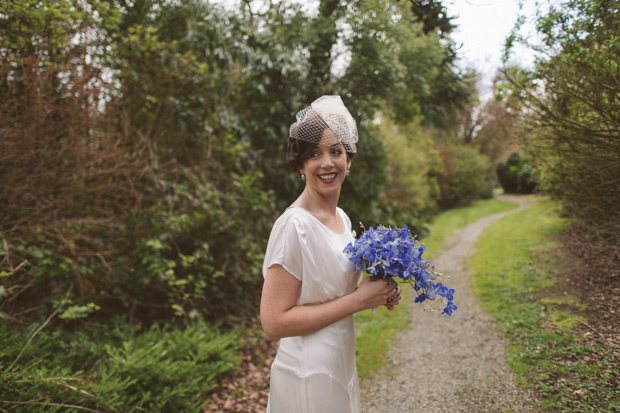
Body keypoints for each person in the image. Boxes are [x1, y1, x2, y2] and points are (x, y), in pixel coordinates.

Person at [260, 95, 402, 412]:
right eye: (314, 154)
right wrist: (358, 301)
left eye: (336, 151)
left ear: (348, 160)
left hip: (339, 362)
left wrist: (376, 290)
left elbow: (332, 292)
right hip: (306, 373)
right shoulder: (293, 227)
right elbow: (273, 323)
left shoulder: (343, 220)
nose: (327, 162)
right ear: (300, 165)